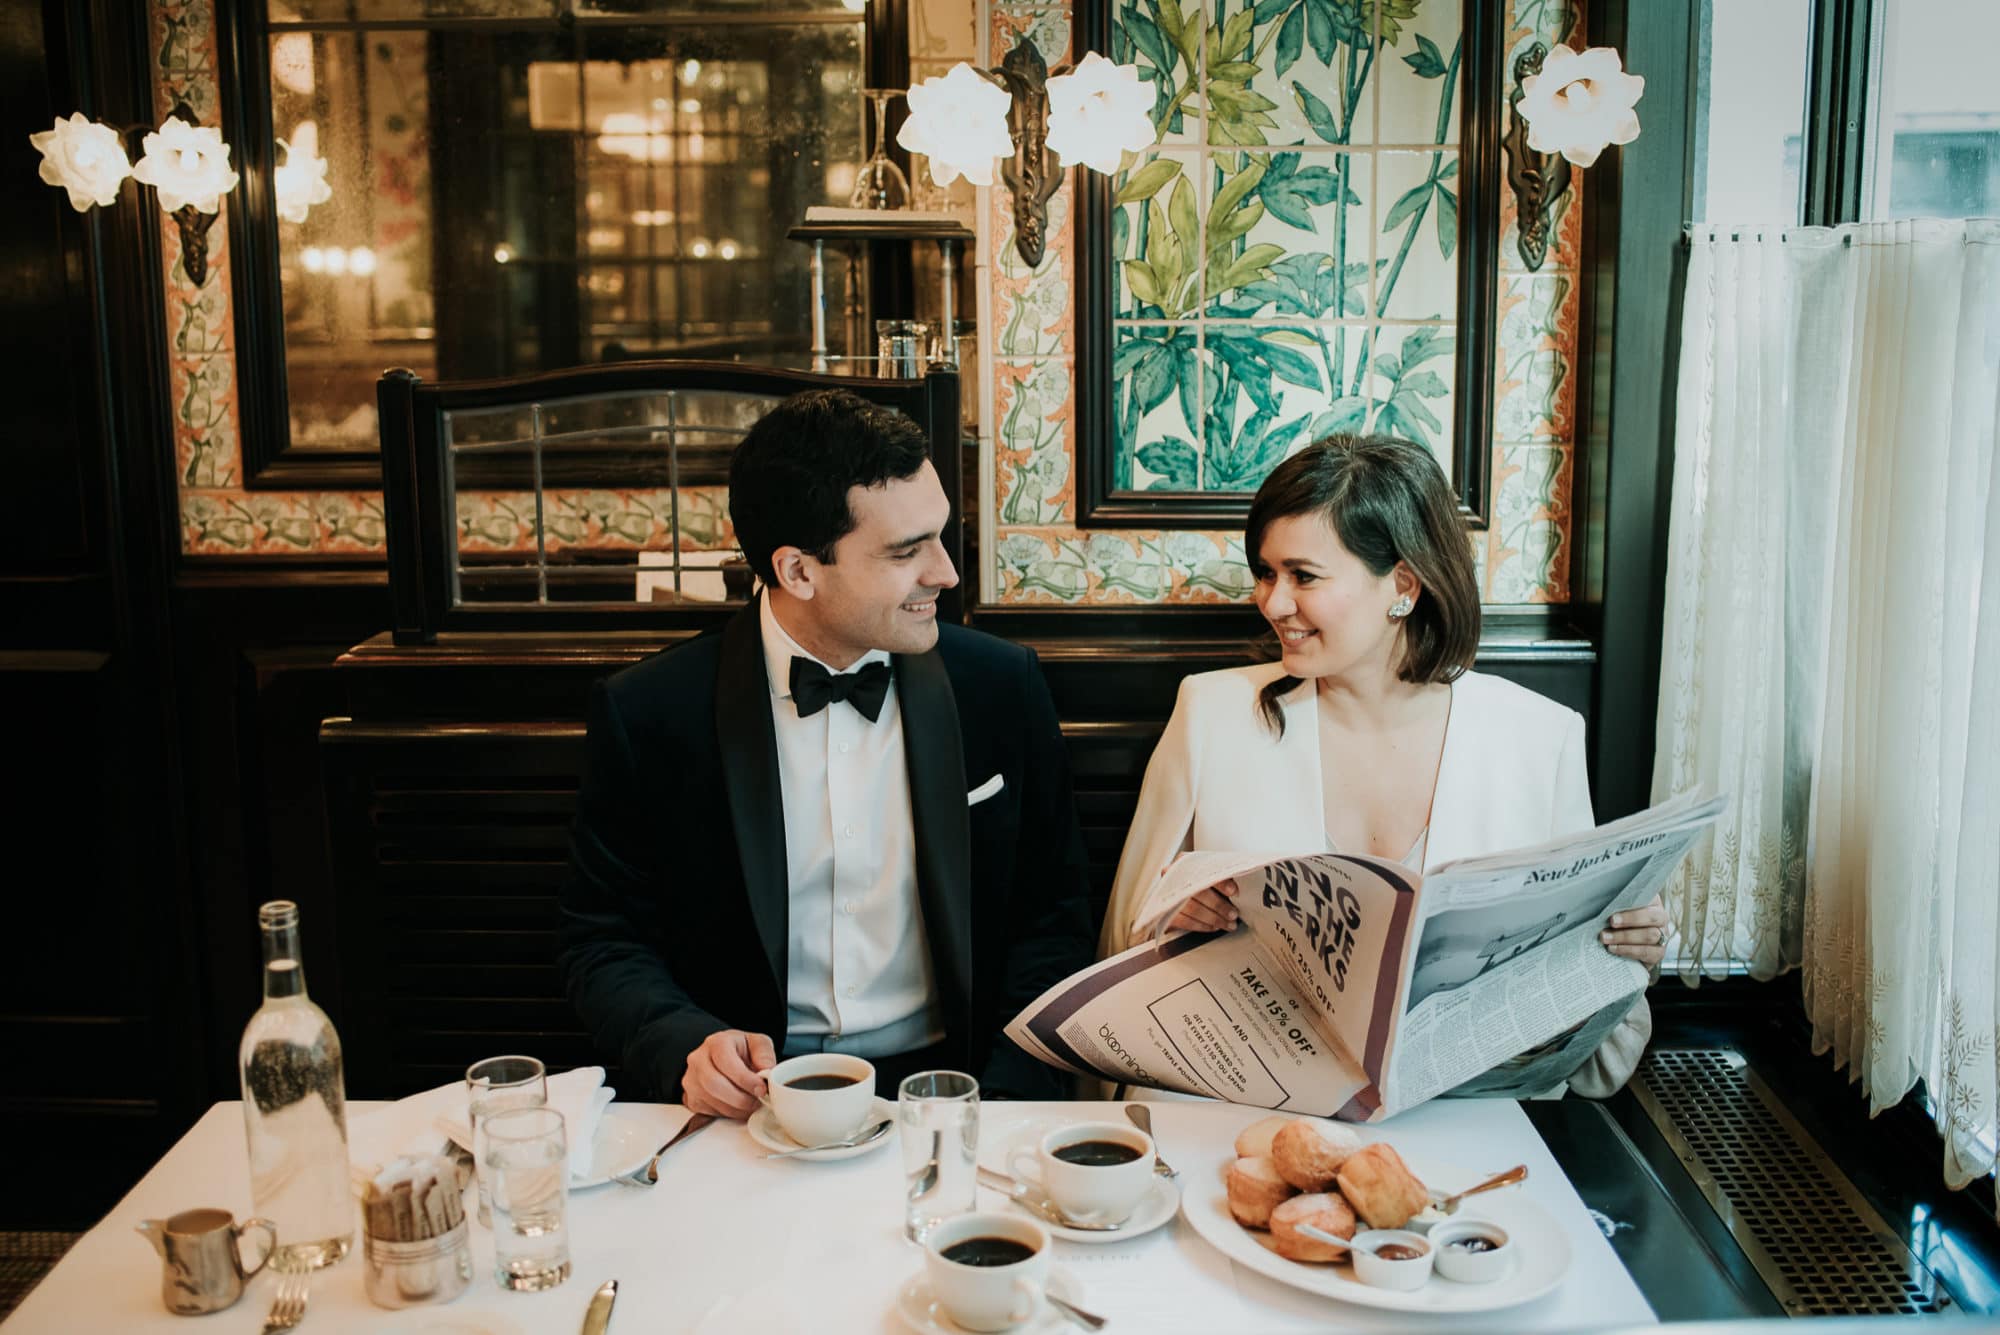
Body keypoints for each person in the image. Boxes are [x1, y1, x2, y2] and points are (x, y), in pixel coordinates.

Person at [558, 388, 1093, 1118]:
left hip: (957, 1087)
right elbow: (602, 938)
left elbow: (1052, 917)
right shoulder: (650, 712)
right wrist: (684, 1043)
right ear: (798, 570)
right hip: (754, 1105)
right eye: (908, 552)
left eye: (940, 536)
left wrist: (1005, 1097)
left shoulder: (1001, 687)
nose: (946, 573)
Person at [1102, 435, 1666, 1096]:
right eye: (1266, 572)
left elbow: (1582, 1049)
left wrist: (1625, 956)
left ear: (1403, 583)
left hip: (1466, 1130)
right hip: (1244, 1120)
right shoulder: (1210, 716)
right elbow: (1119, 942)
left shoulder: (1540, 740)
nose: (1272, 602)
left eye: (1303, 576)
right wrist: (1173, 917)